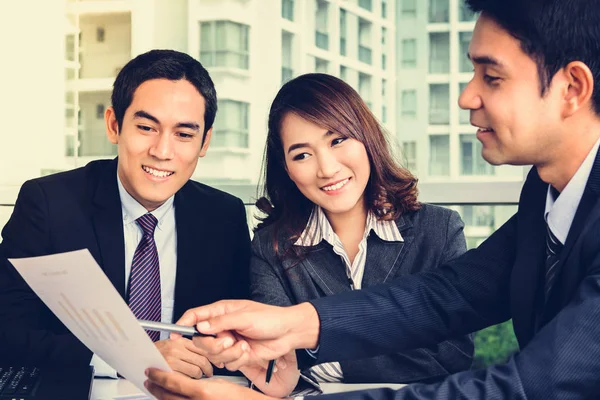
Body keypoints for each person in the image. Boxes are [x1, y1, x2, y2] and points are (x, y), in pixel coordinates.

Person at [143, 0, 600, 398]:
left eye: (492, 76)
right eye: (302, 153)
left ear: (572, 89)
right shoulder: (543, 193)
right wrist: (295, 325)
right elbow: (443, 297)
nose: (466, 96)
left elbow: (529, 387)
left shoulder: (442, 225)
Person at [0, 49, 251, 379]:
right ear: (114, 125)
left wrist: (225, 349)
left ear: (205, 142)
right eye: (146, 127)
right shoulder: (48, 204)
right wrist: (131, 360)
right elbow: (6, 330)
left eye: (184, 134)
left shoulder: (224, 217)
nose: (162, 152)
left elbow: (240, 334)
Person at [247, 73, 472, 396]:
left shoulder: (439, 230)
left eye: (337, 140)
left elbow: (452, 355)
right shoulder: (272, 247)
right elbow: (275, 360)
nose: (327, 168)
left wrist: (321, 353)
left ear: (366, 137)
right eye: (302, 154)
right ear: (286, 168)